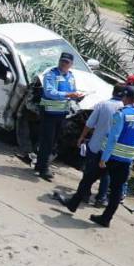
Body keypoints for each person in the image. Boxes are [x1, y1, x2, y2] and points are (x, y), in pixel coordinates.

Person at [58, 86, 134, 227]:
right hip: (126, 159)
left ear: (125, 97)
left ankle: (73, 204)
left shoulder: (122, 113)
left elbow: (113, 138)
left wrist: (104, 158)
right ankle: (106, 218)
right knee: (117, 190)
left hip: (110, 156)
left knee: (88, 179)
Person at [35, 52, 85, 180]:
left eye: (67, 62)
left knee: (54, 141)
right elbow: (50, 92)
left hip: (61, 114)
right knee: (47, 141)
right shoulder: (51, 74)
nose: (64, 64)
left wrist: (77, 96)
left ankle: (40, 165)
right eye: (62, 61)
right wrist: (68, 95)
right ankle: (44, 168)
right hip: (48, 113)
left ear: (71, 64)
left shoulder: (70, 76)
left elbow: (72, 91)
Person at [75, 85, 124, 207]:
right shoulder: (124, 109)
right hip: (111, 148)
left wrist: (81, 137)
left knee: (89, 170)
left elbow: (90, 123)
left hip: (96, 145)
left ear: (113, 92)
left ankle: (85, 194)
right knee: (105, 173)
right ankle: (101, 198)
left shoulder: (103, 104)